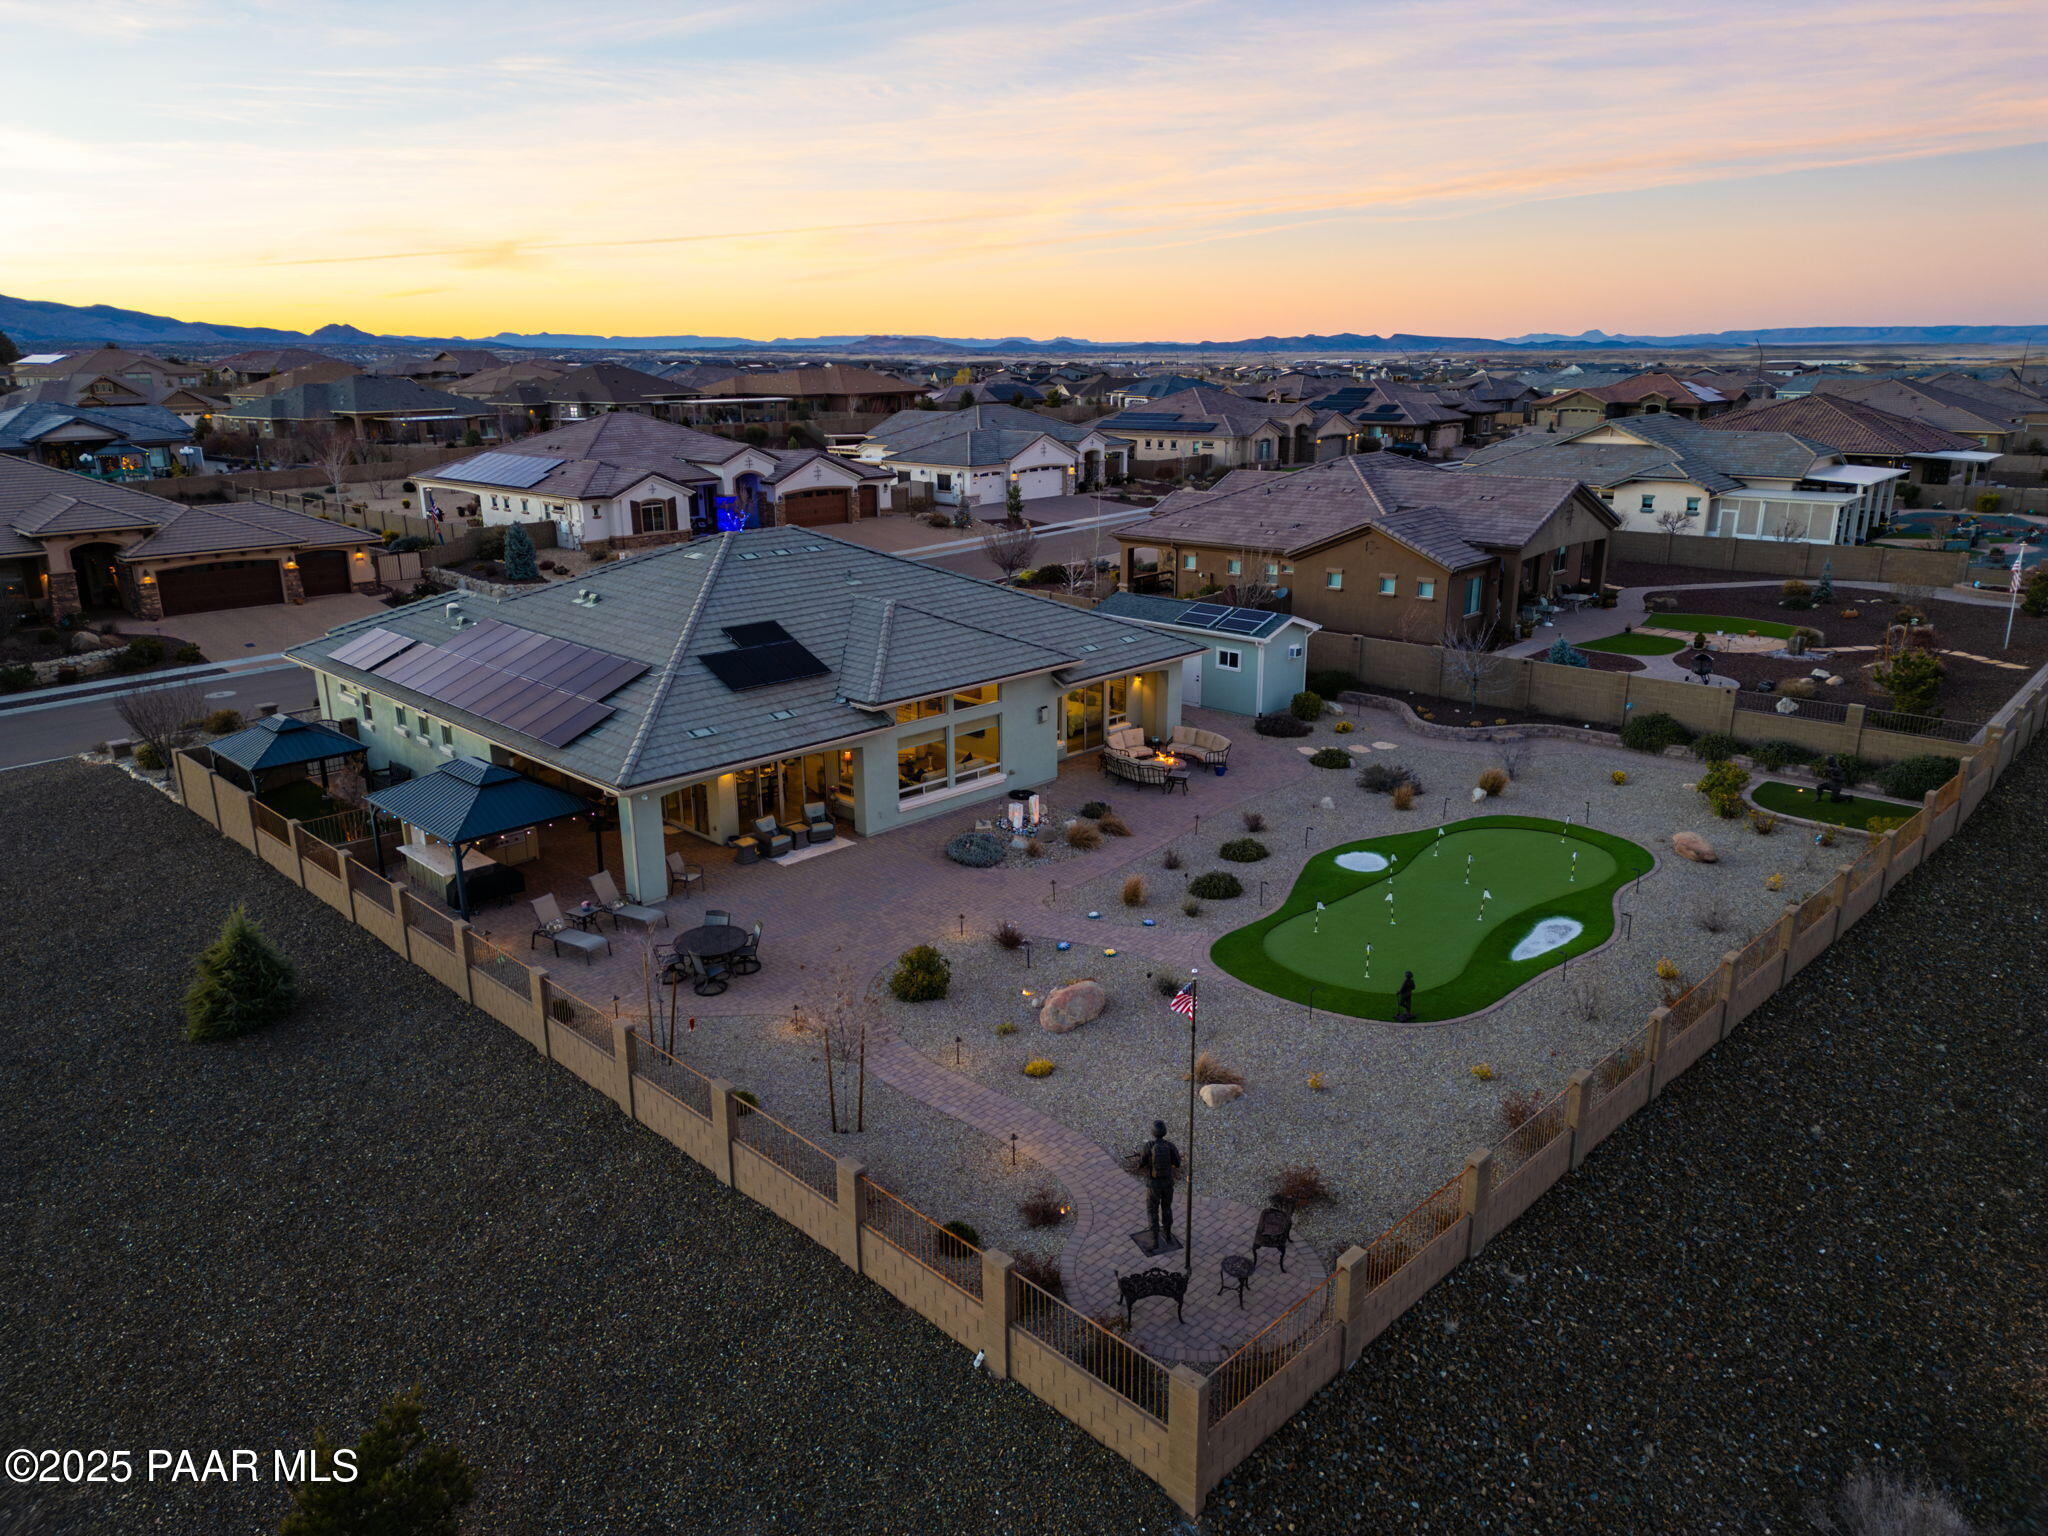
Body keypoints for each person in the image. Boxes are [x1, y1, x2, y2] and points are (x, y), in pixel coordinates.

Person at [1141, 1119, 1181, 1246]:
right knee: (1167, 1208)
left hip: (1153, 1185)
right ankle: (1168, 1235)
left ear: (1153, 1132)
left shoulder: (1149, 1146)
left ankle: (1154, 1240)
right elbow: (1177, 1163)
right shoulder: (1170, 1146)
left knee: (1152, 1210)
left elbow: (1142, 1163)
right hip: (1168, 1183)